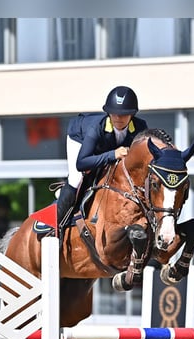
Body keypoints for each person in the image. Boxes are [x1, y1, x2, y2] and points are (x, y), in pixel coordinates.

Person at [56, 86, 148, 235]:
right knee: (76, 179)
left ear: (132, 114)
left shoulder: (140, 128)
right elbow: (82, 163)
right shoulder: (96, 127)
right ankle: (56, 226)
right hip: (79, 136)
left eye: (124, 115)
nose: (118, 118)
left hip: (106, 147)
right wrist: (113, 154)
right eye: (114, 114)